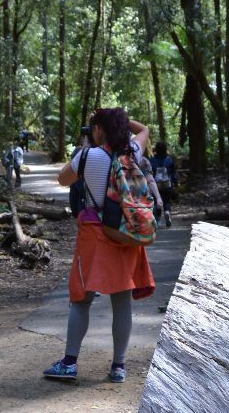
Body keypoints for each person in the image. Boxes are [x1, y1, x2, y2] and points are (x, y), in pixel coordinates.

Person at [44, 106, 155, 385]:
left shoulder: (87, 156)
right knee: (121, 302)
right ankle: (118, 367)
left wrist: (84, 148)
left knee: (81, 300)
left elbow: (62, 179)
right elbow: (144, 130)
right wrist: (119, 122)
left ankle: (69, 363)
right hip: (125, 233)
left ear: (97, 129)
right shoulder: (131, 151)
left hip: (94, 235)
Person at [152, 140, 177, 227]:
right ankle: (167, 212)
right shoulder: (169, 159)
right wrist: (176, 182)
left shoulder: (152, 159)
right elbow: (173, 172)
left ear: (156, 149)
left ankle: (158, 220)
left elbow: (150, 172)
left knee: (157, 201)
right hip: (167, 184)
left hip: (156, 185)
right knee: (167, 201)